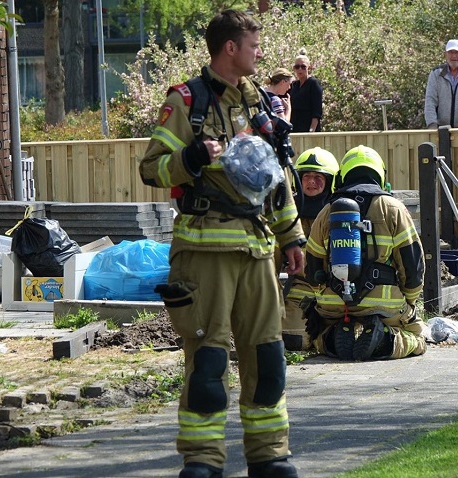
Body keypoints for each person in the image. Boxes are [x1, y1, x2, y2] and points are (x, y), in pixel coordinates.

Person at [138, 10, 304, 478]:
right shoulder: (186, 100)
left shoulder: (261, 105)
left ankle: (269, 456)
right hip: (203, 251)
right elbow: (151, 168)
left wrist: (291, 237)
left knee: (267, 358)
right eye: (253, 45)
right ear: (229, 47)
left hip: (257, 251)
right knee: (209, 360)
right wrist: (189, 158)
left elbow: (276, 179)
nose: (258, 52)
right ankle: (203, 461)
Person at [303, 145, 426, 361]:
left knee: (317, 336)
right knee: (417, 335)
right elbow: (412, 265)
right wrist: (410, 301)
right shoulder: (393, 208)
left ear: (342, 176)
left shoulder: (326, 211)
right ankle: (385, 342)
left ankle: (331, 338)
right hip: (383, 304)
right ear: (380, 174)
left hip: (335, 304)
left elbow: (312, 264)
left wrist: (324, 296)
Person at [281, 147, 339, 351]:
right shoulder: (288, 211)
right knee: (293, 342)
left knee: (339, 342)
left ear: (330, 181)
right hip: (302, 287)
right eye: (306, 177)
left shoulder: (340, 211)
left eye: (318, 177)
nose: (312, 182)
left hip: (336, 288)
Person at [289, 49, 323, 133]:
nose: (300, 69)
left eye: (303, 67)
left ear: (309, 67)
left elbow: (317, 111)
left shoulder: (313, 84)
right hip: (294, 127)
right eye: (297, 67)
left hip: (308, 128)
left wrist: (311, 132)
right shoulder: (294, 85)